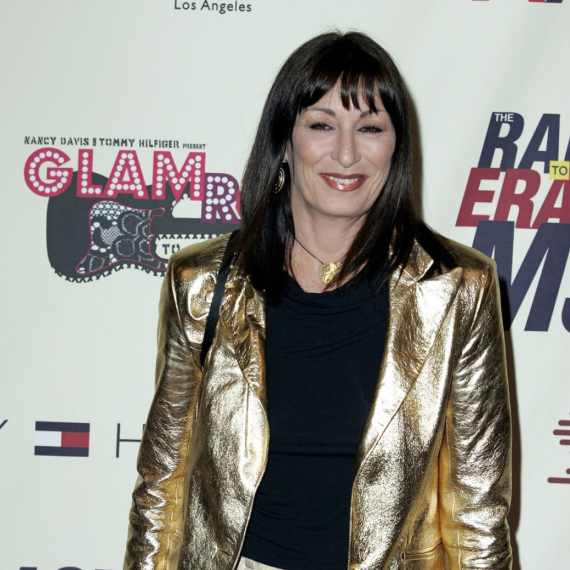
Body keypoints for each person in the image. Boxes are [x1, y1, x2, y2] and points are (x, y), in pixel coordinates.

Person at [124, 31, 512, 570]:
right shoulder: (202, 282)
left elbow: (477, 509)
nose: (346, 153)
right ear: (285, 141)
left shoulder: (458, 287)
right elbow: (161, 480)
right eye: (322, 125)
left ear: (396, 147)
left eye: (370, 128)